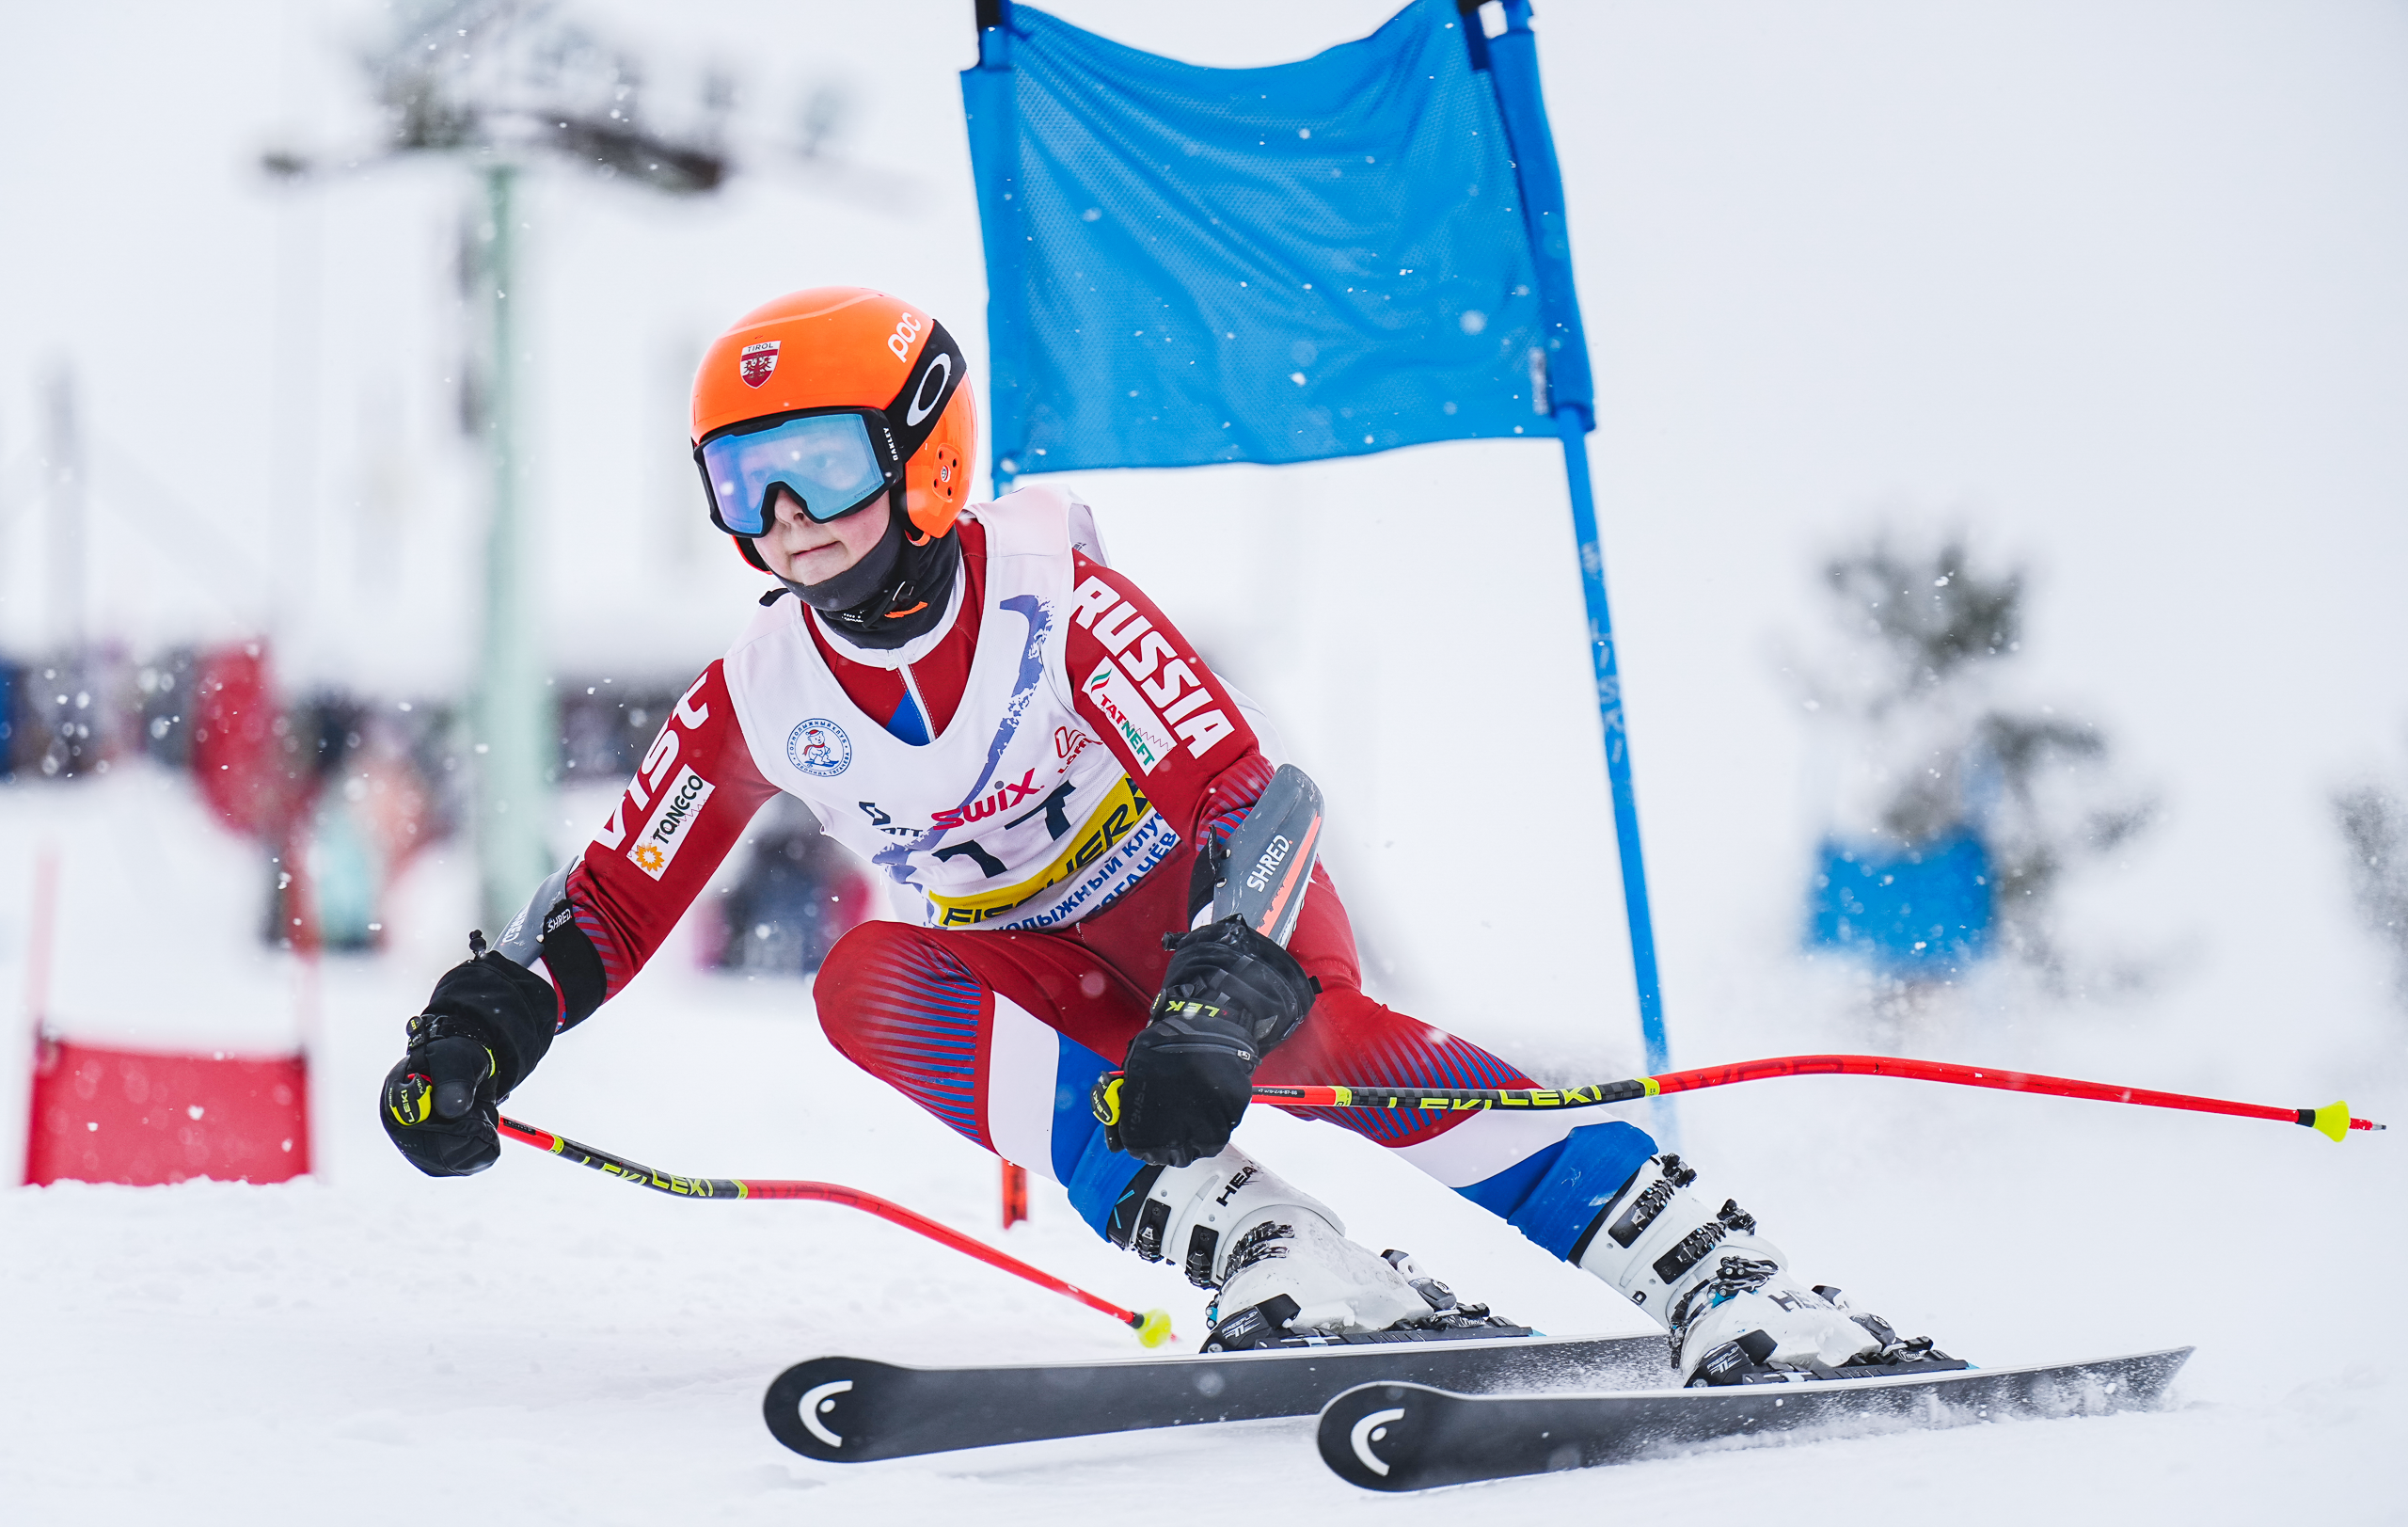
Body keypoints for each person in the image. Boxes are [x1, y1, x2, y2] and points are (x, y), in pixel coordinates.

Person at [379, 287, 1941, 1382]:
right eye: (745, 480)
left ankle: (1717, 1269)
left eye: (823, 466)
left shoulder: (1052, 595)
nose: (786, 518)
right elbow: (618, 891)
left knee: (1326, 1055)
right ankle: (1283, 1257)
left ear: (926, 449)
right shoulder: (763, 685)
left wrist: (1217, 987)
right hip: (1044, 972)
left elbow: (1246, 796)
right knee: (865, 980)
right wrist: (490, 1023)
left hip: (1211, 924)